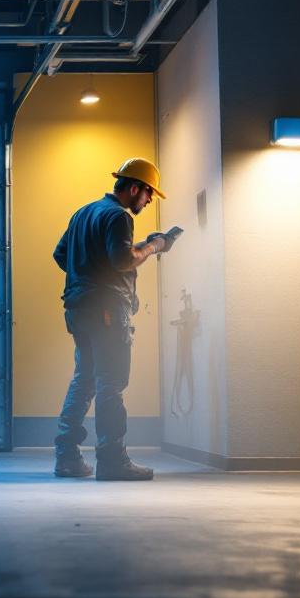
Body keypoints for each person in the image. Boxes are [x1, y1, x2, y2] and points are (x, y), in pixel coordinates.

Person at [52, 158, 181, 481]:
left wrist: (88, 278)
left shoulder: (84, 212)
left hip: (78, 309)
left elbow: (61, 254)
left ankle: (66, 457)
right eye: (149, 194)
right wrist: (155, 245)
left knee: (83, 378)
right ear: (134, 188)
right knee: (111, 383)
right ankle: (112, 461)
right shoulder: (118, 217)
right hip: (108, 312)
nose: (149, 200)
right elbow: (123, 260)